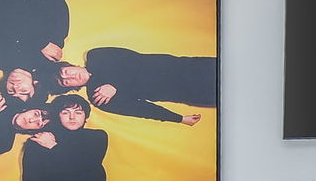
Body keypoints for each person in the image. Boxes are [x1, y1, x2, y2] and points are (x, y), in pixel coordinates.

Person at [50, 47, 216, 125]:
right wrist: (180, 119)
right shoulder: (97, 97)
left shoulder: (97, 55)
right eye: (66, 82)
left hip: (190, 67)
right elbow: (140, 110)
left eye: (66, 71)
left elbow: (133, 59)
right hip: (188, 93)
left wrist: (115, 85)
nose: (71, 76)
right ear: (70, 88)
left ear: (70, 65)